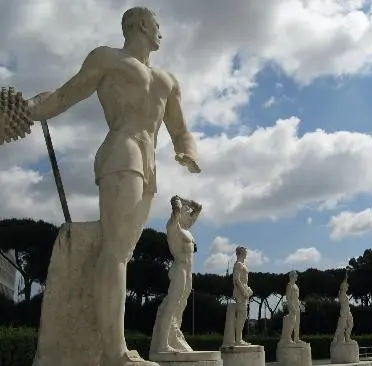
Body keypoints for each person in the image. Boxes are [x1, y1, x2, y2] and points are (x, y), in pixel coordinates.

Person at [26, 7, 201, 366]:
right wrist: (26, 110)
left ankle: (112, 347)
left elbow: (181, 131)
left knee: (121, 251)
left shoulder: (167, 80)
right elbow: (65, 94)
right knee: (117, 250)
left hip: (149, 162)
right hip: (123, 149)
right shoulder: (107, 58)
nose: (160, 34)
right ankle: (113, 352)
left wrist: (186, 152)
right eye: (157, 25)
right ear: (139, 24)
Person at [150, 196, 201, 355]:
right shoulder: (173, 226)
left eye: (188, 211)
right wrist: (178, 203)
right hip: (179, 268)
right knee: (172, 304)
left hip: (188, 271)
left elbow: (198, 207)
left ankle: (174, 333)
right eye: (186, 210)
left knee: (181, 304)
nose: (189, 212)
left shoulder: (187, 229)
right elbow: (175, 205)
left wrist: (188, 202)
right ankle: (162, 344)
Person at [232, 246, 254, 345]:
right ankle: (238, 340)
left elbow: (243, 281)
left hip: (243, 291)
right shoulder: (239, 264)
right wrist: (244, 292)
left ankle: (239, 339)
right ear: (241, 253)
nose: (246, 253)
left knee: (243, 316)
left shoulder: (241, 264)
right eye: (245, 251)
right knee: (242, 315)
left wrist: (248, 289)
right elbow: (237, 280)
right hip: (240, 293)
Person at [279, 271, 306, 345]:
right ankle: (288, 338)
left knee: (297, 323)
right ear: (292, 276)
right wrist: (291, 306)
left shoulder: (296, 286)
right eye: (296, 275)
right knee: (292, 322)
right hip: (292, 306)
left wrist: (301, 305)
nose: (297, 277)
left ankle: (296, 338)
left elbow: (297, 298)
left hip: (297, 306)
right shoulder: (289, 285)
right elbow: (288, 297)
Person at [333, 274, 354, 343]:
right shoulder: (341, 294)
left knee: (350, 324)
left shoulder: (345, 294)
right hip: (344, 311)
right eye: (346, 286)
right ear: (343, 287)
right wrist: (345, 279)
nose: (348, 286)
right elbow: (342, 286)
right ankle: (335, 338)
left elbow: (344, 285)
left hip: (348, 311)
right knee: (341, 325)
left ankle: (347, 337)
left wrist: (346, 279)